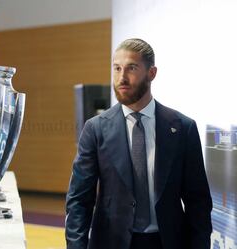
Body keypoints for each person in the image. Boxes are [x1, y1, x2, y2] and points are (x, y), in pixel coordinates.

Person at [65, 38, 212, 249]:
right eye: (117, 69)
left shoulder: (183, 128)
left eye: (131, 68)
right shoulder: (95, 129)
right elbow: (79, 200)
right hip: (111, 243)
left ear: (152, 73)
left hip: (167, 242)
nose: (121, 77)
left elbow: (198, 201)